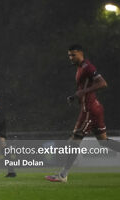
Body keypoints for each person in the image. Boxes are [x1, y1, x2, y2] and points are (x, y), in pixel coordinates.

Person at [45, 44, 120, 182]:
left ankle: (62, 175)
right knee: (104, 142)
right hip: (94, 108)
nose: (71, 58)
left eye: (73, 55)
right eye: (69, 55)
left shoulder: (87, 67)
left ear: (81, 53)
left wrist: (83, 92)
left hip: (89, 110)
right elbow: (84, 88)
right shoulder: (80, 68)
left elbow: (103, 83)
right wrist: (75, 96)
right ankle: (63, 174)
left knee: (75, 140)